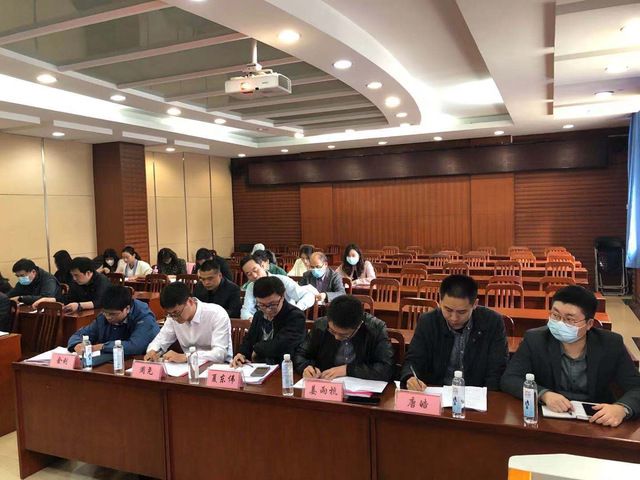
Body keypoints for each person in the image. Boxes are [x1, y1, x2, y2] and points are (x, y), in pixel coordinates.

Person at [501, 285, 640, 427]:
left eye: (569, 319)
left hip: (597, 422)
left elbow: (636, 387)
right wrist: (544, 394)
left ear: (589, 324)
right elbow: (510, 378)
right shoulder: (535, 339)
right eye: (555, 315)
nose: (560, 323)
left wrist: (621, 409)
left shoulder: (610, 344)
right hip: (549, 421)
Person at [401, 274, 508, 390]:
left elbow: (497, 369)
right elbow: (414, 360)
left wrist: (489, 396)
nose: (454, 318)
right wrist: (410, 377)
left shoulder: (493, 322)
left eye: (462, 312)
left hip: (475, 394)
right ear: (440, 301)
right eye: (448, 310)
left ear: (475, 304)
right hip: (436, 391)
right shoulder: (428, 321)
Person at [295, 295, 394, 381]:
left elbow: (387, 368)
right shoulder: (320, 325)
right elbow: (300, 354)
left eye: (344, 335)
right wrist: (305, 368)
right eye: (332, 331)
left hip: (360, 389)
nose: (336, 337)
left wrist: (348, 370)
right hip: (326, 384)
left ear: (358, 326)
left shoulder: (376, 328)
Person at [145, 282, 232, 363]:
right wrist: (153, 351)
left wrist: (187, 357)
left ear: (190, 302)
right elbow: (161, 340)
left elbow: (220, 354)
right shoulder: (172, 318)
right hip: (187, 366)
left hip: (217, 367)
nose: (174, 318)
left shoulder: (216, 314)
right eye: (170, 314)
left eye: (176, 313)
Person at [231, 276, 306, 367]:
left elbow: (281, 345)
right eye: (261, 305)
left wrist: (257, 349)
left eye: (272, 304)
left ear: (282, 297)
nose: (268, 310)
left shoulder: (295, 316)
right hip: (257, 367)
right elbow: (249, 340)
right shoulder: (258, 315)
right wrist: (241, 354)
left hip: (284, 367)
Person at [67, 285, 159, 355]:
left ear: (127, 309)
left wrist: (102, 346)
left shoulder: (144, 316)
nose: (108, 317)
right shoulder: (104, 315)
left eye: (113, 314)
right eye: (105, 313)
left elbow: (136, 346)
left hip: (136, 361)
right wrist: (77, 344)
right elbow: (79, 334)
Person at [240, 255, 316, 320]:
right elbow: (246, 310)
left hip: (286, 321)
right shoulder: (251, 286)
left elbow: (308, 296)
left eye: (255, 270)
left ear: (263, 266)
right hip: (264, 324)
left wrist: (294, 310)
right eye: (249, 274)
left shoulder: (283, 280)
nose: (254, 276)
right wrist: (250, 318)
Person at [33, 257, 111, 313]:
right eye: (72, 275)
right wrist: (49, 300)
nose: (74, 278)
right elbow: (68, 299)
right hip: (83, 314)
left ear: (88, 273)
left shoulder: (102, 280)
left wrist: (79, 305)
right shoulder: (76, 282)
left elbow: (100, 302)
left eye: (76, 275)